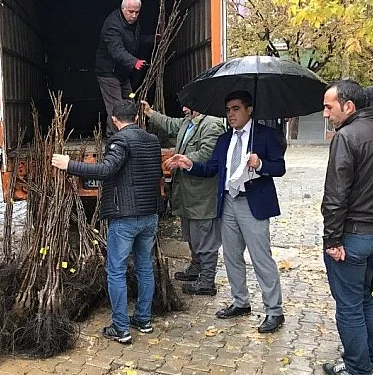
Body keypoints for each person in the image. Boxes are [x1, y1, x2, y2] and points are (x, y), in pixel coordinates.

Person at [167, 90, 286, 333]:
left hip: (253, 202)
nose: (231, 114)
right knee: (231, 256)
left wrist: (260, 164)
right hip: (228, 202)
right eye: (228, 110)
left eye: (236, 109)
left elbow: (280, 168)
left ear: (249, 109)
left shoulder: (265, 136)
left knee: (261, 258)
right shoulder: (224, 139)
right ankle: (240, 302)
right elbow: (212, 168)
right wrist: (189, 164)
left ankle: (274, 311)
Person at [51, 100, 162, 344]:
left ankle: (121, 328)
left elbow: (106, 170)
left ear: (114, 119)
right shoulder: (152, 141)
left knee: (116, 271)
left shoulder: (120, 140)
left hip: (125, 217)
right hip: (149, 215)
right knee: (144, 266)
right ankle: (143, 320)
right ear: (136, 116)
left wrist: (69, 165)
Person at [320, 80, 373, 375]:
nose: (326, 114)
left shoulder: (346, 136)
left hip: (352, 238)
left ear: (349, 106)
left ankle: (357, 370)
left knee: (349, 306)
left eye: (330, 106)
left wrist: (331, 240)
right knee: (363, 298)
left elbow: (335, 194)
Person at [141, 100, 226, 296]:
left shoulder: (211, 124)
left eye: (188, 105)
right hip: (188, 195)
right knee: (191, 235)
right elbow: (171, 124)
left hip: (202, 196)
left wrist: (182, 160)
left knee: (205, 239)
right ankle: (196, 269)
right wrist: (150, 113)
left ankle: (207, 281)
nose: (184, 109)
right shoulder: (189, 122)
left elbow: (207, 154)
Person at [95, 0, 151, 136]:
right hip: (108, 72)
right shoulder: (112, 25)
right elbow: (116, 50)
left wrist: (152, 39)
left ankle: (131, 136)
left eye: (137, 12)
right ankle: (115, 138)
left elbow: (132, 40)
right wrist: (134, 62)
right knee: (116, 107)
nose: (134, 16)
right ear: (123, 9)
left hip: (122, 72)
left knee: (129, 102)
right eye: (130, 12)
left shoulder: (132, 23)